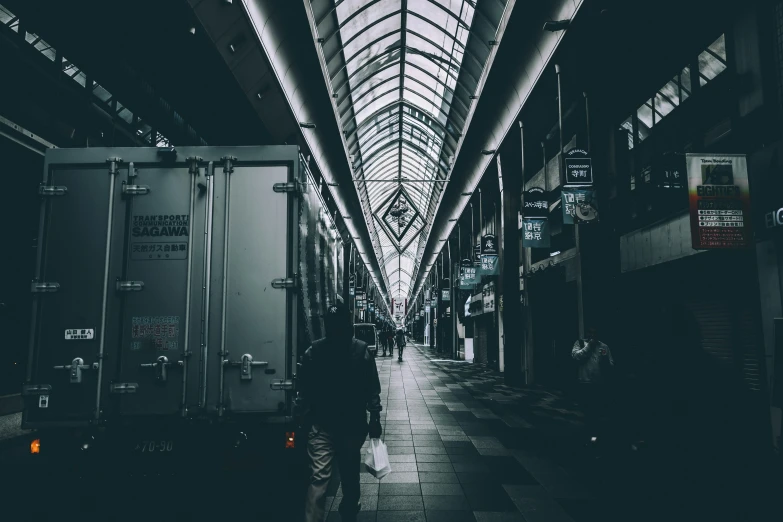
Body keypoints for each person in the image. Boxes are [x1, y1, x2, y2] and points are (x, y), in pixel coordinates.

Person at [297, 299, 383, 522]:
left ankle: (340, 509)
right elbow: (372, 388)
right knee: (347, 474)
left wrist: (303, 415)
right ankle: (348, 509)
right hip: (346, 427)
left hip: (328, 426)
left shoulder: (314, 351)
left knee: (323, 478)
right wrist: (374, 418)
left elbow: (303, 388)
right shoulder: (360, 350)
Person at [571, 326, 614, 445]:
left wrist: (605, 362)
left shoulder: (604, 346)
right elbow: (576, 357)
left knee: (596, 411)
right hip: (584, 383)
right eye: (590, 332)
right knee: (585, 411)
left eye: (595, 333)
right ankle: (586, 436)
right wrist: (589, 346)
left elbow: (611, 364)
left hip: (599, 384)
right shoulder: (579, 343)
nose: (592, 335)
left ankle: (594, 437)